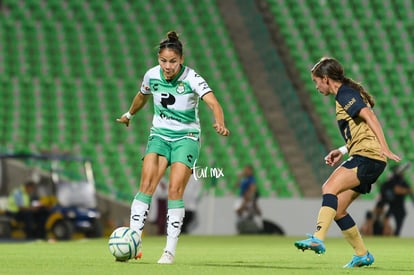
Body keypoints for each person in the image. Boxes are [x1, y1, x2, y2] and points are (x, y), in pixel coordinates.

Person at [116, 31, 230, 264]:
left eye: (173, 61)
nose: (167, 66)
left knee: (175, 192)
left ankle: (168, 251)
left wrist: (219, 121)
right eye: (163, 61)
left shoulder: (192, 78)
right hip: (158, 135)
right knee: (146, 185)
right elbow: (142, 95)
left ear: (181, 59)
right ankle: (135, 240)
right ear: (158, 59)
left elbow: (213, 102)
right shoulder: (151, 75)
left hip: (186, 137)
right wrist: (129, 114)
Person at [294, 57, 400, 268]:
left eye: (316, 82)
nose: (316, 87)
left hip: (367, 156)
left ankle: (317, 238)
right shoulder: (347, 94)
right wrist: (342, 150)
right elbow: (361, 128)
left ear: (326, 79)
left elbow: (369, 116)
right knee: (338, 209)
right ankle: (362, 254)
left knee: (329, 188)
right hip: (369, 158)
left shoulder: (345, 93)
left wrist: (384, 146)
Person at [379, 163, 413, 236]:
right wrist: (404, 190)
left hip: (399, 208)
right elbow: (397, 190)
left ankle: (395, 235)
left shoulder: (402, 182)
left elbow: (410, 191)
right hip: (390, 206)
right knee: (385, 221)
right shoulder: (390, 182)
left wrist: (404, 190)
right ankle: (386, 235)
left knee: (398, 228)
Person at [234, 164, 263, 234]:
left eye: (246, 170)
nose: (245, 171)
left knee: (247, 213)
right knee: (240, 213)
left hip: (247, 199)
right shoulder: (244, 179)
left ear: (251, 171)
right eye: (244, 170)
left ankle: (255, 229)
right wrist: (239, 177)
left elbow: (253, 188)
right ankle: (242, 229)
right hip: (242, 198)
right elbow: (236, 185)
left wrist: (249, 197)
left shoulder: (251, 179)